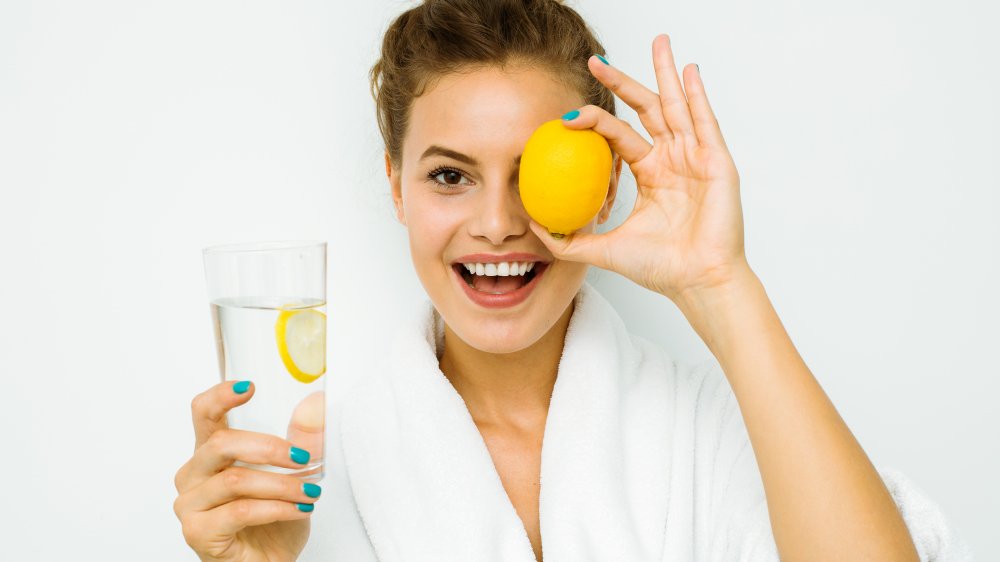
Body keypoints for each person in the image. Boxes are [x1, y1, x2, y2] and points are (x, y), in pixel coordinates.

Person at [173, 1, 971, 561]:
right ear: (395, 187)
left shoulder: (707, 430)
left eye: (534, 175)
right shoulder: (310, 468)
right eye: (450, 176)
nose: (495, 223)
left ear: (606, 185)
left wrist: (722, 284)